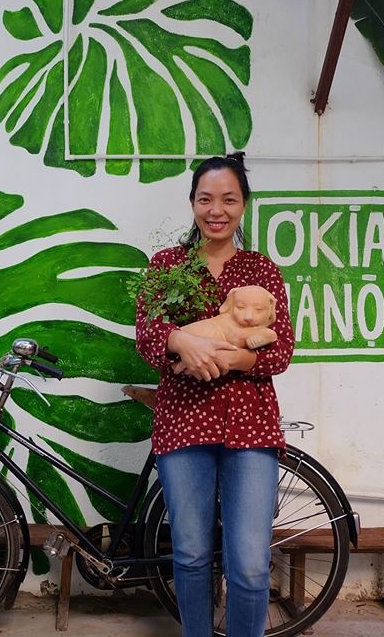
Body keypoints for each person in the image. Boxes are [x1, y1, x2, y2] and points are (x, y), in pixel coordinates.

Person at [135, 153, 295, 637]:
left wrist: (231, 359)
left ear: (244, 204)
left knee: (250, 562)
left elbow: (281, 351)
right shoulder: (168, 265)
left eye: (229, 199)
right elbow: (146, 334)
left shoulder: (262, 270)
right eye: (206, 199)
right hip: (183, 422)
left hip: (251, 427)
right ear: (192, 203)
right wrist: (181, 340)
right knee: (190, 554)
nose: (216, 210)